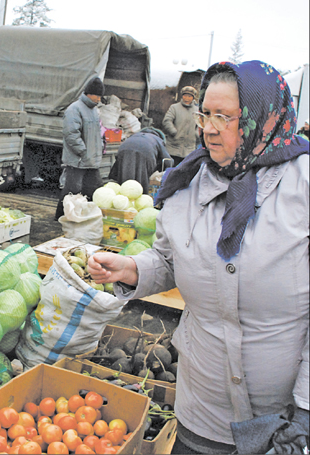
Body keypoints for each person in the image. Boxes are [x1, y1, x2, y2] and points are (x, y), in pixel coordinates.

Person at [88, 60, 309, 454]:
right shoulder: (186, 185)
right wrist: (133, 269)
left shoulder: (302, 187)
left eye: (225, 117)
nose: (208, 127)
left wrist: (306, 410)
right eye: (206, 114)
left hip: (285, 422)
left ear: (264, 117)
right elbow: (171, 262)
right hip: (202, 410)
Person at [55, 76, 105, 220]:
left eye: (100, 96)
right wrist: (83, 151)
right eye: (97, 95)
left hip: (91, 160)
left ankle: (84, 218)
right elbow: (71, 134)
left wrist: (99, 148)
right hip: (78, 160)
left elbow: (98, 133)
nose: (99, 99)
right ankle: (60, 217)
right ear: (89, 93)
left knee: (94, 189)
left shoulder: (95, 111)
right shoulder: (74, 109)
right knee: (72, 191)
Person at [108, 127, 172, 194]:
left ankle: (123, 198)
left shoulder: (134, 136)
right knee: (142, 179)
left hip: (124, 148)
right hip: (146, 151)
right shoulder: (158, 139)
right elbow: (168, 161)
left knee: (123, 175)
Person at [162, 85, 200, 166]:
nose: (187, 98)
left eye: (189, 96)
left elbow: (200, 124)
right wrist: (173, 132)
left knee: (184, 171)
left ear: (193, 98)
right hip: (173, 147)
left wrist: (196, 134)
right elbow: (167, 121)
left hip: (189, 148)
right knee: (170, 169)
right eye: (185, 95)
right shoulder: (174, 108)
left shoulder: (197, 111)